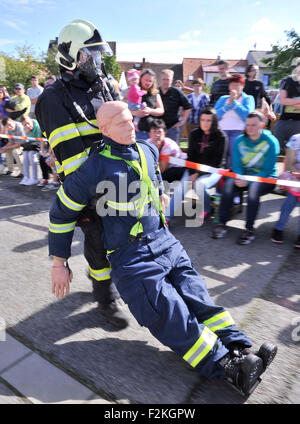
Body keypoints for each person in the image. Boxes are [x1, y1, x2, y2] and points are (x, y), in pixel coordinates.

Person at [48, 101, 277, 397]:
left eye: (130, 120)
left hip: (164, 240)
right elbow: (61, 213)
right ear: (102, 129)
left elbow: (154, 183)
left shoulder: (147, 149)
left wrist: (160, 202)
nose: (130, 126)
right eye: (120, 123)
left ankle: (241, 349)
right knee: (170, 313)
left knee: (198, 297)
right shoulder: (92, 169)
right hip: (131, 257)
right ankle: (227, 366)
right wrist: (59, 263)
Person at [35, 19, 128, 329]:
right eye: (89, 56)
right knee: (99, 239)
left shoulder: (105, 84)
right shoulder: (53, 98)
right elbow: (73, 160)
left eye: (97, 55)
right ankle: (104, 296)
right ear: (69, 58)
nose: (97, 62)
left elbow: (122, 129)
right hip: (85, 187)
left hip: (116, 177)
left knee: (124, 236)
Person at [212, 111, 280, 245]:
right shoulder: (239, 140)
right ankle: (222, 223)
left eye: (254, 125)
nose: (250, 128)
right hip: (244, 175)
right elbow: (237, 166)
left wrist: (247, 181)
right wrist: (239, 178)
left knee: (254, 188)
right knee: (229, 183)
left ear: (262, 125)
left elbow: (266, 170)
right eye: (248, 125)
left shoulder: (271, 142)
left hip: (266, 178)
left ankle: (249, 229)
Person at [165, 107, 227, 223]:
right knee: (181, 188)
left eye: (209, 120)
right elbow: (191, 157)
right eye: (203, 119)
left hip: (214, 170)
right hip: (193, 169)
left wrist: (197, 174)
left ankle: (207, 209)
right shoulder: (195, 134)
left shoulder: (221, 136)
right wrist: (192, 173)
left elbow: (216, 162)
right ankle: (166, 219)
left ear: (214, 121)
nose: (205, 123)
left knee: (200, 185)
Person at [214, 74, 255, 168]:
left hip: (239, 131)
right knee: (220, 157)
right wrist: (227, 106)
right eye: (232, 85)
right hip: (221, 131)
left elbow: (248, 115)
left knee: (234, 157)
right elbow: (215, 115)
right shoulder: (223, 98)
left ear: (243, 86)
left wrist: (235, 103)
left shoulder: (248, 98)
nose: (234, 87)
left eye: (237, 85)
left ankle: (232, 177)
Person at [271, 133, 300, 248]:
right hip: (295, 176)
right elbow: (289, 164)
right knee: (290, 201)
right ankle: (279, 228)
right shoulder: (296, 138)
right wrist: (295, 172)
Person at [127, 69, 164, 141]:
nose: (148, 83)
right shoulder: (132, 90)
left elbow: (161, 110)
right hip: (132, 131)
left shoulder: (155, 94)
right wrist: (135, 113)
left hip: (149, 132)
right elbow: (122, 108)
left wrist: (150, 111)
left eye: (150, 81)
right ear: (140, 79)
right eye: (146, 80)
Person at [147, 118, 186, 182]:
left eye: (159, 132)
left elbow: (162, 169)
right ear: (149, 134)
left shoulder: (169, 145)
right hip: (164, 167)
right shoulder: (147, 143)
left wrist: (157, 148)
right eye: (154, 131)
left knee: (160, 178)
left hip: (179, 167)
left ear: (164, 133)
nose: (157, 135)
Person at [159, 69, 191, 144]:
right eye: (164, 79)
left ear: (172, 80)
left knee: (173, 153)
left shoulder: (177, 92)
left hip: (172, 129)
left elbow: (188, 107)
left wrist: (182, 121)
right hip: (158, 129)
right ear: (160, 79)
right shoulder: (156, 92)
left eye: (168, 79)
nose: (166, 81)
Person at [274, 59, 300, 151]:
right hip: (284, 120)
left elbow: (286, 100)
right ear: (297, 67)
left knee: (295, 154)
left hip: (299, 123)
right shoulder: (287, 80)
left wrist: (290, 101)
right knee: (275, 148)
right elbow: (282, 100)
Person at [19, 115, 42, 185]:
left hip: (40, 147)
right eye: (25, 124)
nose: (27, 125)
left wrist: (29, 131)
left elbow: (39, 141)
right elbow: (28, 140)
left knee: (31, 154)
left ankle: (35, 178)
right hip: (32, 146)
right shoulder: (24, 127)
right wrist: (27, 132)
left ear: (30, 119)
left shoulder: (37, 125)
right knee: (25, 155)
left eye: (28, 123)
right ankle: (26, 176)